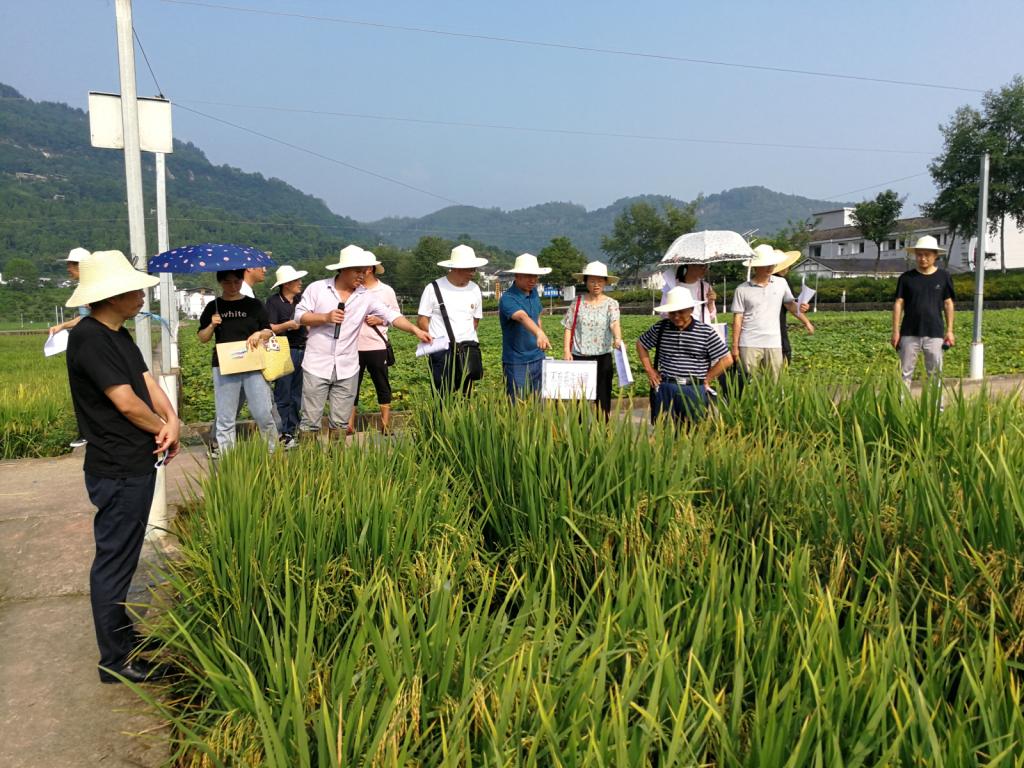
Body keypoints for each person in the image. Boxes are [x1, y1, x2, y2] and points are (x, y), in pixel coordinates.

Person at [64, 250, 180, 684]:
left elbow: (146, 384)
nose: (140, 295)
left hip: (135, 460)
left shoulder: (120, 334)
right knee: (115, 561)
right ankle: (116, 661)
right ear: (112, 295)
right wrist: (160, 430)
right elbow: (126, 402)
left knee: (125, 557)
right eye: (133, 289)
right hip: (116, 466)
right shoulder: (90, 338)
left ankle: (123, 639)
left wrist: (172, 420)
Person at [295, 245, 431, 440]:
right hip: (317, 364)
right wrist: (325, 317)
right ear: (343, 269)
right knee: (310, 421)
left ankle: (337, 463)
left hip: (347, 367)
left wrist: (415, 330)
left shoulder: (365, 296)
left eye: (365, 271)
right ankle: (308, 465)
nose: (363, 275)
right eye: (358, 271)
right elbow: (300, 316)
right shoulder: (318, 288)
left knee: (340, 423)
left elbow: (391, 315)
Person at [197, 269, 278, 456]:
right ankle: (228, 460)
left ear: (242, 280)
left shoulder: (254, 305)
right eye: (227, 282)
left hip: (253, 364)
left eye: (236, 281)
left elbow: (268, 331)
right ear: (220, 282)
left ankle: (274, 454)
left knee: (263, 414)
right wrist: (212, 325)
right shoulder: (213, 306)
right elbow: (202, 337)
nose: (232, 286)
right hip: (224, 365)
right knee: (225, 417)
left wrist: (259, 333)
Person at [637, 287, 733, 426]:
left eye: (681, 312)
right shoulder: (661, 328)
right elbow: (641, 344)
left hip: (693, 388)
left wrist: (708, 378)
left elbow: (727, 359)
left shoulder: (705, 332)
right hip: (666, 386)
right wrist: (650, 370)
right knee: (665, 432)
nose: (676, 316)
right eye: (672, 312)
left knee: (694, 432)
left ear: (691, 310)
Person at [731, 245, 814, 378]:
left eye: (772, 264)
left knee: (775, 383)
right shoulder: (742, 289)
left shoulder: (781, 283)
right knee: (748, 381)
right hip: (749, 342)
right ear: (756, 266)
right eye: (766, 264)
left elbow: (790, 304)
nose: (770, 267)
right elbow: (737, 318)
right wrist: (735, 345)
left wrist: (802, 313)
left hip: (774, 341)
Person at [417, 243, 487, 397]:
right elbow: (423, 320)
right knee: (442, 395)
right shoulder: (433, 288)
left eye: (474, 268)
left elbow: (475, 321)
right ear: (456, 268)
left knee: (466, 395)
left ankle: (462, 421)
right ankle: (442, 421)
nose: (473, 273)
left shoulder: (475, 289)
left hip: (468, 349)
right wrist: (435, 340)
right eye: (470, 269)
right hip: (442, 350)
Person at [891, 235, 955, 386]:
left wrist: (950, 330)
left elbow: (948, 303)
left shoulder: (944, 277)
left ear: (935, 256)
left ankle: (935, 409)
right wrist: (895, 331)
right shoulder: (906, 278)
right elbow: (899, 303)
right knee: (905, 373)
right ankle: (902, 407)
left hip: (935, 332)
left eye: (927, 255)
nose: (923, 258)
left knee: (935, 374)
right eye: (919, 254)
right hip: (909, 332)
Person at [562, 261, 623, 415]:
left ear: (605, 282)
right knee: (578, 401)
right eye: (592, 280)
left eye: (600, 280)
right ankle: (578, 434)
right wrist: (566, 352)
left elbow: (614, 323)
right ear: (586, 282)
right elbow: (568, 327)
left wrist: (617, 338)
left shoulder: (611, 304)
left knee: (603, 399)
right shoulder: (577, 303)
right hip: (579, 357)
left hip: (603, 357)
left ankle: (602, 433)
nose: (596, 284)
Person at [350, 254, 400, 434]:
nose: (357, 273)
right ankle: (349, 425)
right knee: (352, 386)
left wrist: (379, 320)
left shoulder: (386, 291)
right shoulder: (353, 289)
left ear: (369, 269)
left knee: (382, 384)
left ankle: (385, 425)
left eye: (360, 269)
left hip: (377, 345)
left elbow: (396, 315)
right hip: (353, 347)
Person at [51, 247, 92, 448]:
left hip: (91, 342)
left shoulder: (90, 287)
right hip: (89, 340)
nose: (68, 269)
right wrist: (63, 326)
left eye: (71, 264)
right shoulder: (87, 285)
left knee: (85, 388)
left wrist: (64, 325)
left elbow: (88, 317)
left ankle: (87, 431)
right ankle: (87, 430)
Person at [265, 264, 308, 449]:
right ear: (287, 284)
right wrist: (289, 325)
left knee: (297, 394)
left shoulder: (302, 300)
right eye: (296, 281)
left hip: (303, 349)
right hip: (283, 350)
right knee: (283, 393)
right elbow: (270, 327)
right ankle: (282, 433)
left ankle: (293, 430)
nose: (300, 283)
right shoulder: (274, 302)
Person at [498, 253, 553, 399]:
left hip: (538, 357)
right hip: (517, 361)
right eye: (528, 276)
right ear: (517, 276)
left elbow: (537, 315)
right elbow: (522, 317)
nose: (533, 280)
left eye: (535, 276)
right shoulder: (508, 298)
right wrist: (539, 333)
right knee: (517, 405)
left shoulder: (534, 292)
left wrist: (540, 333)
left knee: (539, 403)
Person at [770, 250, 809, 364]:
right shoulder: (782, 282)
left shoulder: (755, 280)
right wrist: (806, 322)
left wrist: (801, 307)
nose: (787, 268)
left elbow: (792, 304)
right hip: (777, 326)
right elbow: (791, 306)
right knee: (783, 356)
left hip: (767, 327)